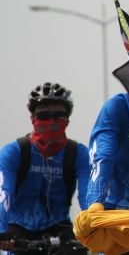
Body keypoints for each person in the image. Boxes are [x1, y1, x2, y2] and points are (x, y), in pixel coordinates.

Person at [0, 82, 90, 254]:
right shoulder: (14, 152)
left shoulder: (79, 154)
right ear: (32, 118)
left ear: (67, 119)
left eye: (58, 115)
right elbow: (4, 194)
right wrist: (1, 230)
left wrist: (95, 229)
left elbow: (88, 197)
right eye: (43, 115)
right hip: (18, 229)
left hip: (60, 229)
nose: (51, 121)